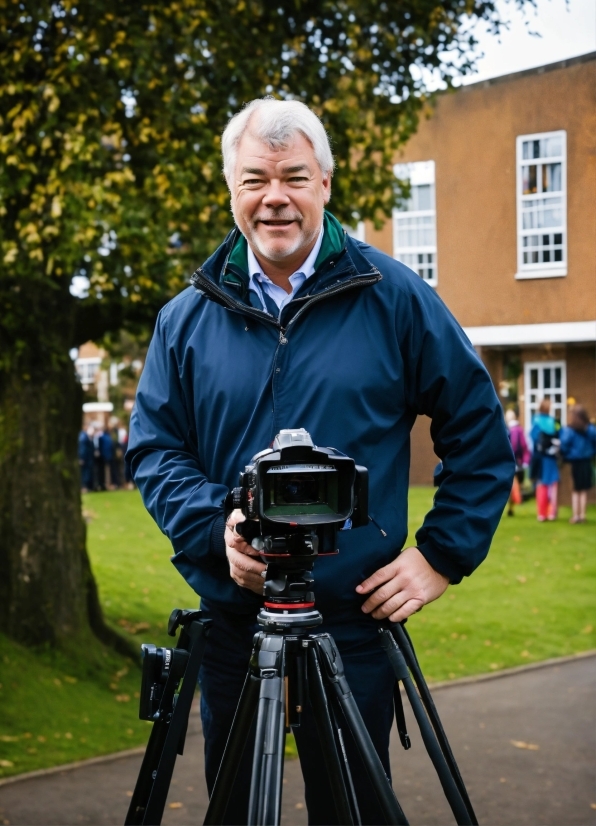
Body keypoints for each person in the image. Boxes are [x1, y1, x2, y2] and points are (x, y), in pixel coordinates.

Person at [126, 98, 514, 824]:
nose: (275, 197)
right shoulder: (185, 318)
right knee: (238, 811)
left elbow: (480, 429)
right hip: (236, 626)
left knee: (354, 813)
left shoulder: (394, 297)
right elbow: (153, 448)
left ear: (326, 185)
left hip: (354, 620)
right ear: (231, 190)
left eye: (294, 177)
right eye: (255, 180)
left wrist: (440, 556)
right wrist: (219, 530)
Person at [560, 404, 596, 523]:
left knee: (576, 489)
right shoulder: (590, 429)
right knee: (584, 489)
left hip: (575, 462)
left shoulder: (570, 430)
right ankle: (583, 515)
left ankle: (576, 515)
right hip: (586, 461)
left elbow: (564, 444)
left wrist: (566, 454)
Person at [530, 398, 561, 522]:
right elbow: (559, 434)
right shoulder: (553, 422)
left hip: (541, 458)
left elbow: (533, 437)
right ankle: (552, 512)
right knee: (553, 485)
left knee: (541, 485)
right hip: (551, 457)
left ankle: (542, 514)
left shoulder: (536, 420)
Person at [504, 409, 530, 515]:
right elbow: (524, 446)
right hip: (517, 461)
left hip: (509, 461)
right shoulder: (519, 430)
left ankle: (513, 504)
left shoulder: (506, 429)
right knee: (516, 483)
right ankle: (513, 504)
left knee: (512, 484)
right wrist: (525, 461)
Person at [78, 426, 94, 492]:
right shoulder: (84, 437)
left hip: (87, 458)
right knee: (85, 473)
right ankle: (85, 487)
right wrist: (82, 458)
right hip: (86, 459)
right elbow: (83, 449)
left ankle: (86, 487)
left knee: (86, 473)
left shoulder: (83, 436)